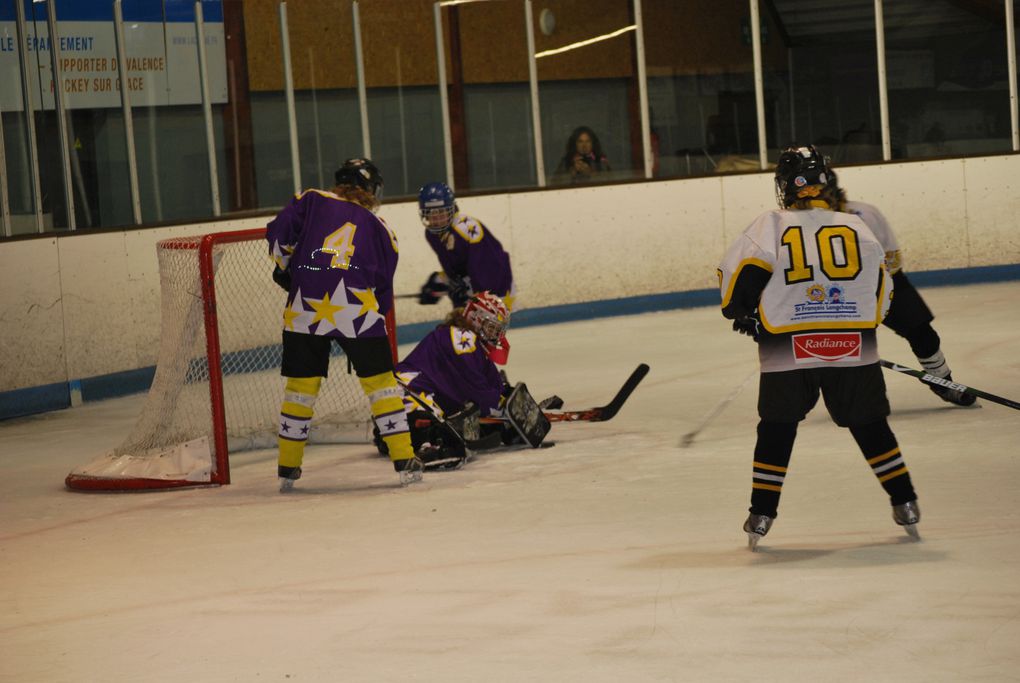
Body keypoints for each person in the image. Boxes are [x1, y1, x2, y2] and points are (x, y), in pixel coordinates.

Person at [718, 144, 921, 550]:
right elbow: (884, 291)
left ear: (785, 187)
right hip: (852, 345)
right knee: (869, 424)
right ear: (824, 183)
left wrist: (743, 314)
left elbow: (737, 283)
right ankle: (905, 502)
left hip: (786, 347)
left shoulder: (770, 225)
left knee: (777, 427)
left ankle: (761, 513)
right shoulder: (857, 226)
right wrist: (856, 327)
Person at [266, 158, 422, 491]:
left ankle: (287, 467)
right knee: (381, 385)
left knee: (300, 389)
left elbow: (279, 236)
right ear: (371, 189)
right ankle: (405, 459)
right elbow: (383, 283)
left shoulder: (310, 198)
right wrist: (372, 314)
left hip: (305, 306)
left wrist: (288, 270)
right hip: (356, 309)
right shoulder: (381, 227)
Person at [825, 169, 976, 406]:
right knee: (843, 344)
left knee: (922, 333)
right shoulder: (799, 225)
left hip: (885, 282)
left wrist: (874, 289)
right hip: (836, 294)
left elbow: (892, 258)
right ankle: (850, 393)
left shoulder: (864, 213)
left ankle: (942, 381)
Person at [375, 291, 518, 468]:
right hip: (405, 392)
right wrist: (502, 409)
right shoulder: (462, 338)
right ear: (475, 318)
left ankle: (419, 436)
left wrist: (508, 400)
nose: (496, 335)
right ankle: (422, 443)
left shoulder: (474, 344)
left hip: (420, 395)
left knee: (460, 422)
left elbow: (490, 385)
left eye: (498, 330)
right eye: (491, 328)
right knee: (427, 427)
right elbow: (477, 391)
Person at [416, 181, 516, 311]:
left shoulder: (466, 228)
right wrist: (438, 284)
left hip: (496, 284)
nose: (437, 219)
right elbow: (456, 269)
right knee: (460, 327)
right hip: (473, 284)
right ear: (424, 214)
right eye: (431, 213)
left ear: (451, 209)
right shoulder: (431, 234)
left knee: (484, 327)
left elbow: (486, 266)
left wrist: (470, 294)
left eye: (441, 211)